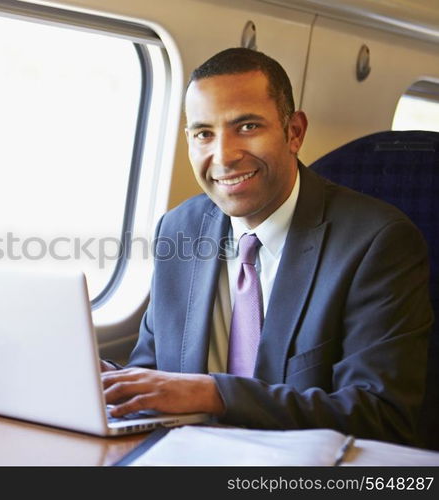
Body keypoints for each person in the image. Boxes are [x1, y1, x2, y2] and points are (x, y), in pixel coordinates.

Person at [101, 47, 433, 447]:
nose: (223, 156)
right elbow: (152, 373)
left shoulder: (377, 242)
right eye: (204, 133)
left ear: (294, 132)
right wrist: (107, 385)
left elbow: (379, 415)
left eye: (246, 127)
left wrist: (216, 394)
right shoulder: (179, 230)